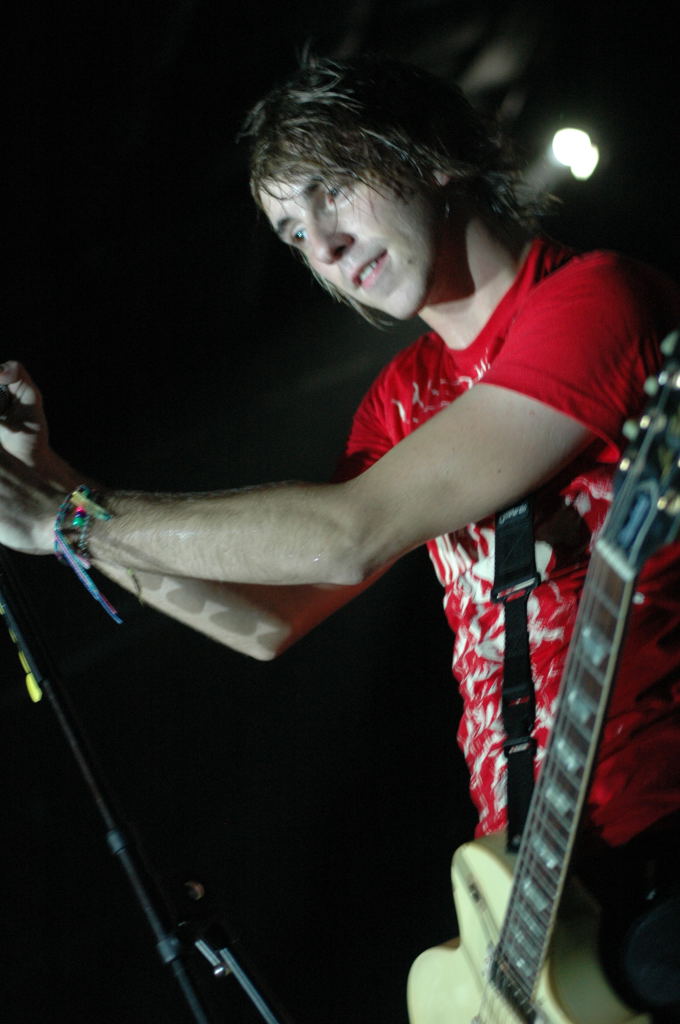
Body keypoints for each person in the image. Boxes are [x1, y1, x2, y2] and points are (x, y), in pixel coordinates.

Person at [2, 53, 679, 1013]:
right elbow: (266, 619)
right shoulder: (403, 396)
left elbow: (349, 534)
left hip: (659, 839)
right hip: (535, 878)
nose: (321, 243)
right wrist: (63, 499)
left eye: (332, 188)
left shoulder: (593, 299)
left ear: (435, 155)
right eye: (291, 231)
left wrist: (70, 518)